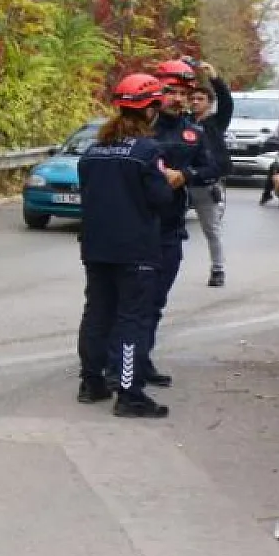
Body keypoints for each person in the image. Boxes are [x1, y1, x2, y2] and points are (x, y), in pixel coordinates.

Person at [76, 73, 179, 418]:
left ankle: (91, 383)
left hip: (95, 248)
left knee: (96, 314)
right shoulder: (148, 151)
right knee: (131, 320)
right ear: (149, 109)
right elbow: (162, 199)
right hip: (136, 251)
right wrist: (168, 181)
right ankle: (129, 393)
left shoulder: (92, 152)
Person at [142, 58, 219, 387]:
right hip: (138, 227)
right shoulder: (139, 127)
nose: (177, 98)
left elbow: (214, 168)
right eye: (170, 91)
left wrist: (185, 175)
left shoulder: (194, 131)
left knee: (156, 302)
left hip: (171, 229)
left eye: (183, 92)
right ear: (158, 90)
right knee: (130, 303)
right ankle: (114, 366)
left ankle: (141, 360)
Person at [185, 60, 231, 287]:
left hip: (206, 183)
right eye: (192, 98)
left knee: (211, 229)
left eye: (200, 99)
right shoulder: (183, 124)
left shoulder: (216, 123)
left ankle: (218, 269)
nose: (195, 102)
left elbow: (227, 102)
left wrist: (214, 78)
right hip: (181, 182)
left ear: (210, 103)